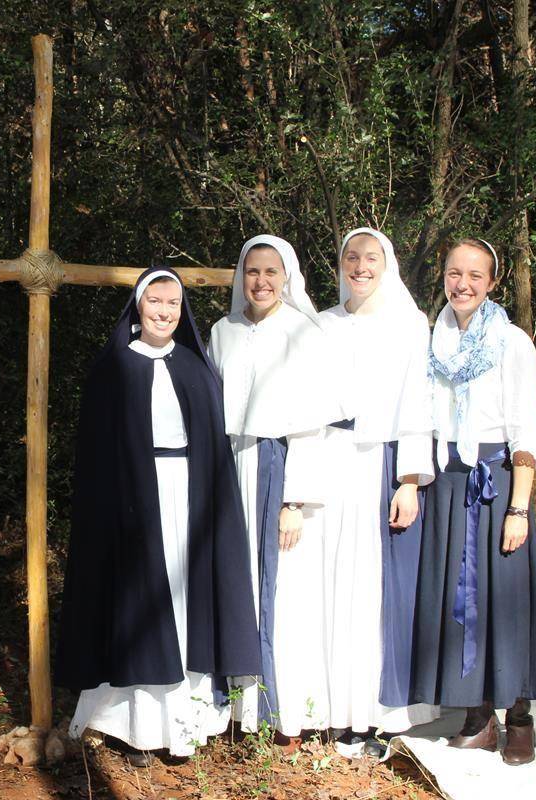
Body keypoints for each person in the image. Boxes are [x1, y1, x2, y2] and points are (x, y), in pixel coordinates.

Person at [55, 267, 261, 766]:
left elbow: (212, 448)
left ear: (181, 309)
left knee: (184, 601)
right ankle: (136, 727)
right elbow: (97, 457)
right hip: (131, 503)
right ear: (138, 306)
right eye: (155, 302)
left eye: (172, 303)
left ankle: (185, 723)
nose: (164, 312)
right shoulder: (112, 369)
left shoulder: (195, 367)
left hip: (187, 499)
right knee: (139, 603)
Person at [410, 238, 536, 765]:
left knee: (505, 598)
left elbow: (526, 429)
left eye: (476, 275)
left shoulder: (511, 342)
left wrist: (519, 507)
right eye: (455, 273)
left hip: (497, 485)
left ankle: (518, 717)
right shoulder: (436, 341)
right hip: (450, 485)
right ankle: (477, 716)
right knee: (460, 599)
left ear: (492, 283)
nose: (463, 284)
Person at [205, 235, 341, 744]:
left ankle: (282, 712)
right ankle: (239, 709)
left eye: (271, 272)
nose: (260, 282)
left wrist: (293, 501)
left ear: (287, 277)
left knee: (282, 590)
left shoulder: (302, 332)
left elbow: (311, 426)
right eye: (252, 271)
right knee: (237, 582)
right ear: (240, 275)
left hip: (276, 466)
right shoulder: (223, 331)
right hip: (230, 463)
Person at [312, 228, 438, 757]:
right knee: (330, 584)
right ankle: (329, 705)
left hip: (381, 465)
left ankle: (369, 714)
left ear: (387, 263)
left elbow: (417, 400)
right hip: (327, 461)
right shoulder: (320, 322)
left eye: (371, 258)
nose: (360, 266)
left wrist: (409, 480)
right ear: (339, 263)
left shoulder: (408, 324)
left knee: (372, 591)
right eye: (351, 257)